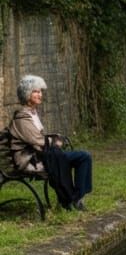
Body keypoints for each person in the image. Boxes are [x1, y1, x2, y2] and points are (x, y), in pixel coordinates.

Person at [9, 75, 93, 211]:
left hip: (41, 155)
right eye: (36, 91)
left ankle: (76, 197)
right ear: (27, 93)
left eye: (40, 91)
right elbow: (36, 140)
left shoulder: (32, 114)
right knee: (82, 156)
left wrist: (53, 139)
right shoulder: (22, 117)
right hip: (31, 160)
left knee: (84, 156)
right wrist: (54, 141)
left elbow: (38, 139)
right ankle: (73, 199)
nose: (40, 94)